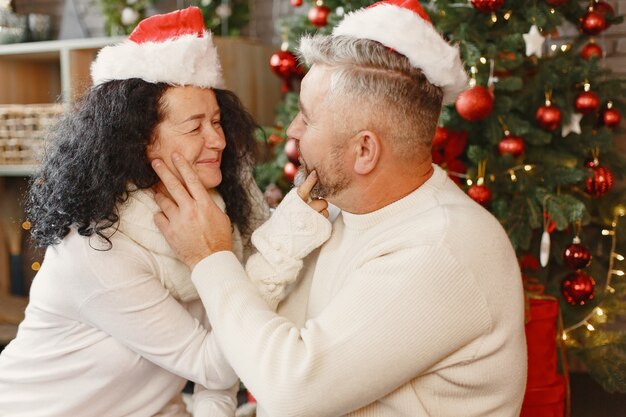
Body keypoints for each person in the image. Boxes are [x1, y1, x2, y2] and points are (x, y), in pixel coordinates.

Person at [151, 0, 528, 416]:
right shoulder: (335, 209)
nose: (292, 130)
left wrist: (210, 256)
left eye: (307, 119)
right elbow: (256, 334)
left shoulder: (442, 248)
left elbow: (291, 388)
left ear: (364, 150)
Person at [0, 7, 331, 417]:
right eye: (194, 128)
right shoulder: (94, 246)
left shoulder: (218, 209)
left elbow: (221, 366)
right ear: (141, 141)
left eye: (216, 121)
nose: (218, 141)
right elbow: (218, 358)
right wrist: (279, 242)